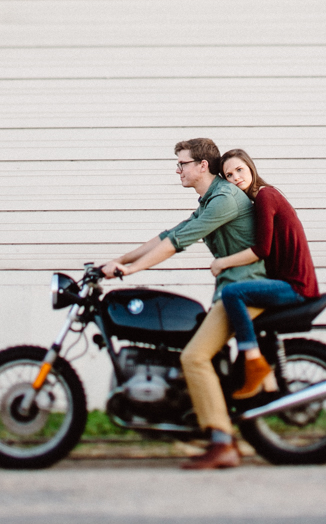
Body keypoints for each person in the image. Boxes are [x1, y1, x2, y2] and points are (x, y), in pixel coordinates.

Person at [99, 137, 266, 470]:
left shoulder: (224, 199)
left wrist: (131, 270)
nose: (178, 170)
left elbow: (176, 243)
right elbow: (167, 235)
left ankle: (222, 442)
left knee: (194, 356)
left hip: (248, 289)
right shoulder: (210, 200)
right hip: (232, 288)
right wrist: (118, 259)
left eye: (182, 164)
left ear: (202, 166)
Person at [210, 149, 320, 400]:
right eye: (229, 175)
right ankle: (265, 382)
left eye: (239, 170)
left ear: (250, 168)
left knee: (232, 293)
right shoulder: (258, 200)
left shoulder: (265, 196)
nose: (236, 177)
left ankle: (254, 362)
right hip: (288, 282)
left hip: (296, 286)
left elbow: (261, 249)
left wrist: (222, 263)